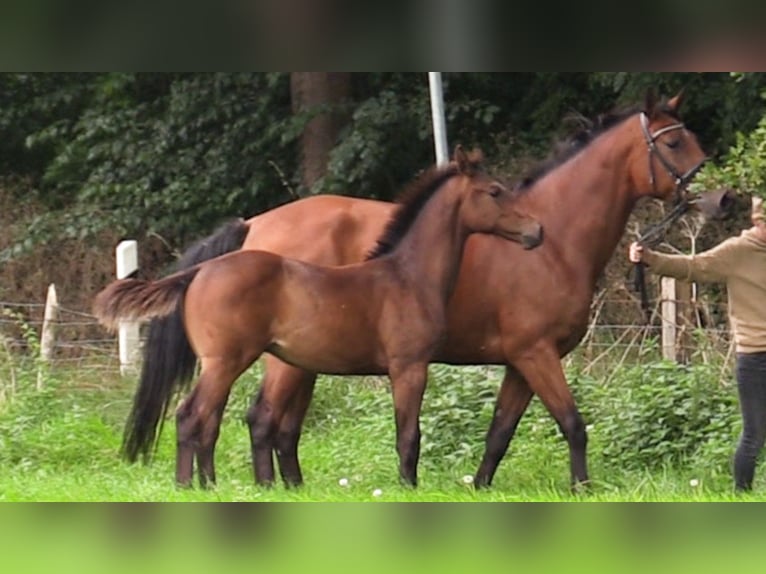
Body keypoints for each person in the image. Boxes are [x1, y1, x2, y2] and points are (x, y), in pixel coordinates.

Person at [629, 196, 766, 492]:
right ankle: (741, 497)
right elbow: (693, 266)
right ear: (758, 221)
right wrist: (650, 259)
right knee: (755, 434)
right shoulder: (737, 251)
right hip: (755, 357)